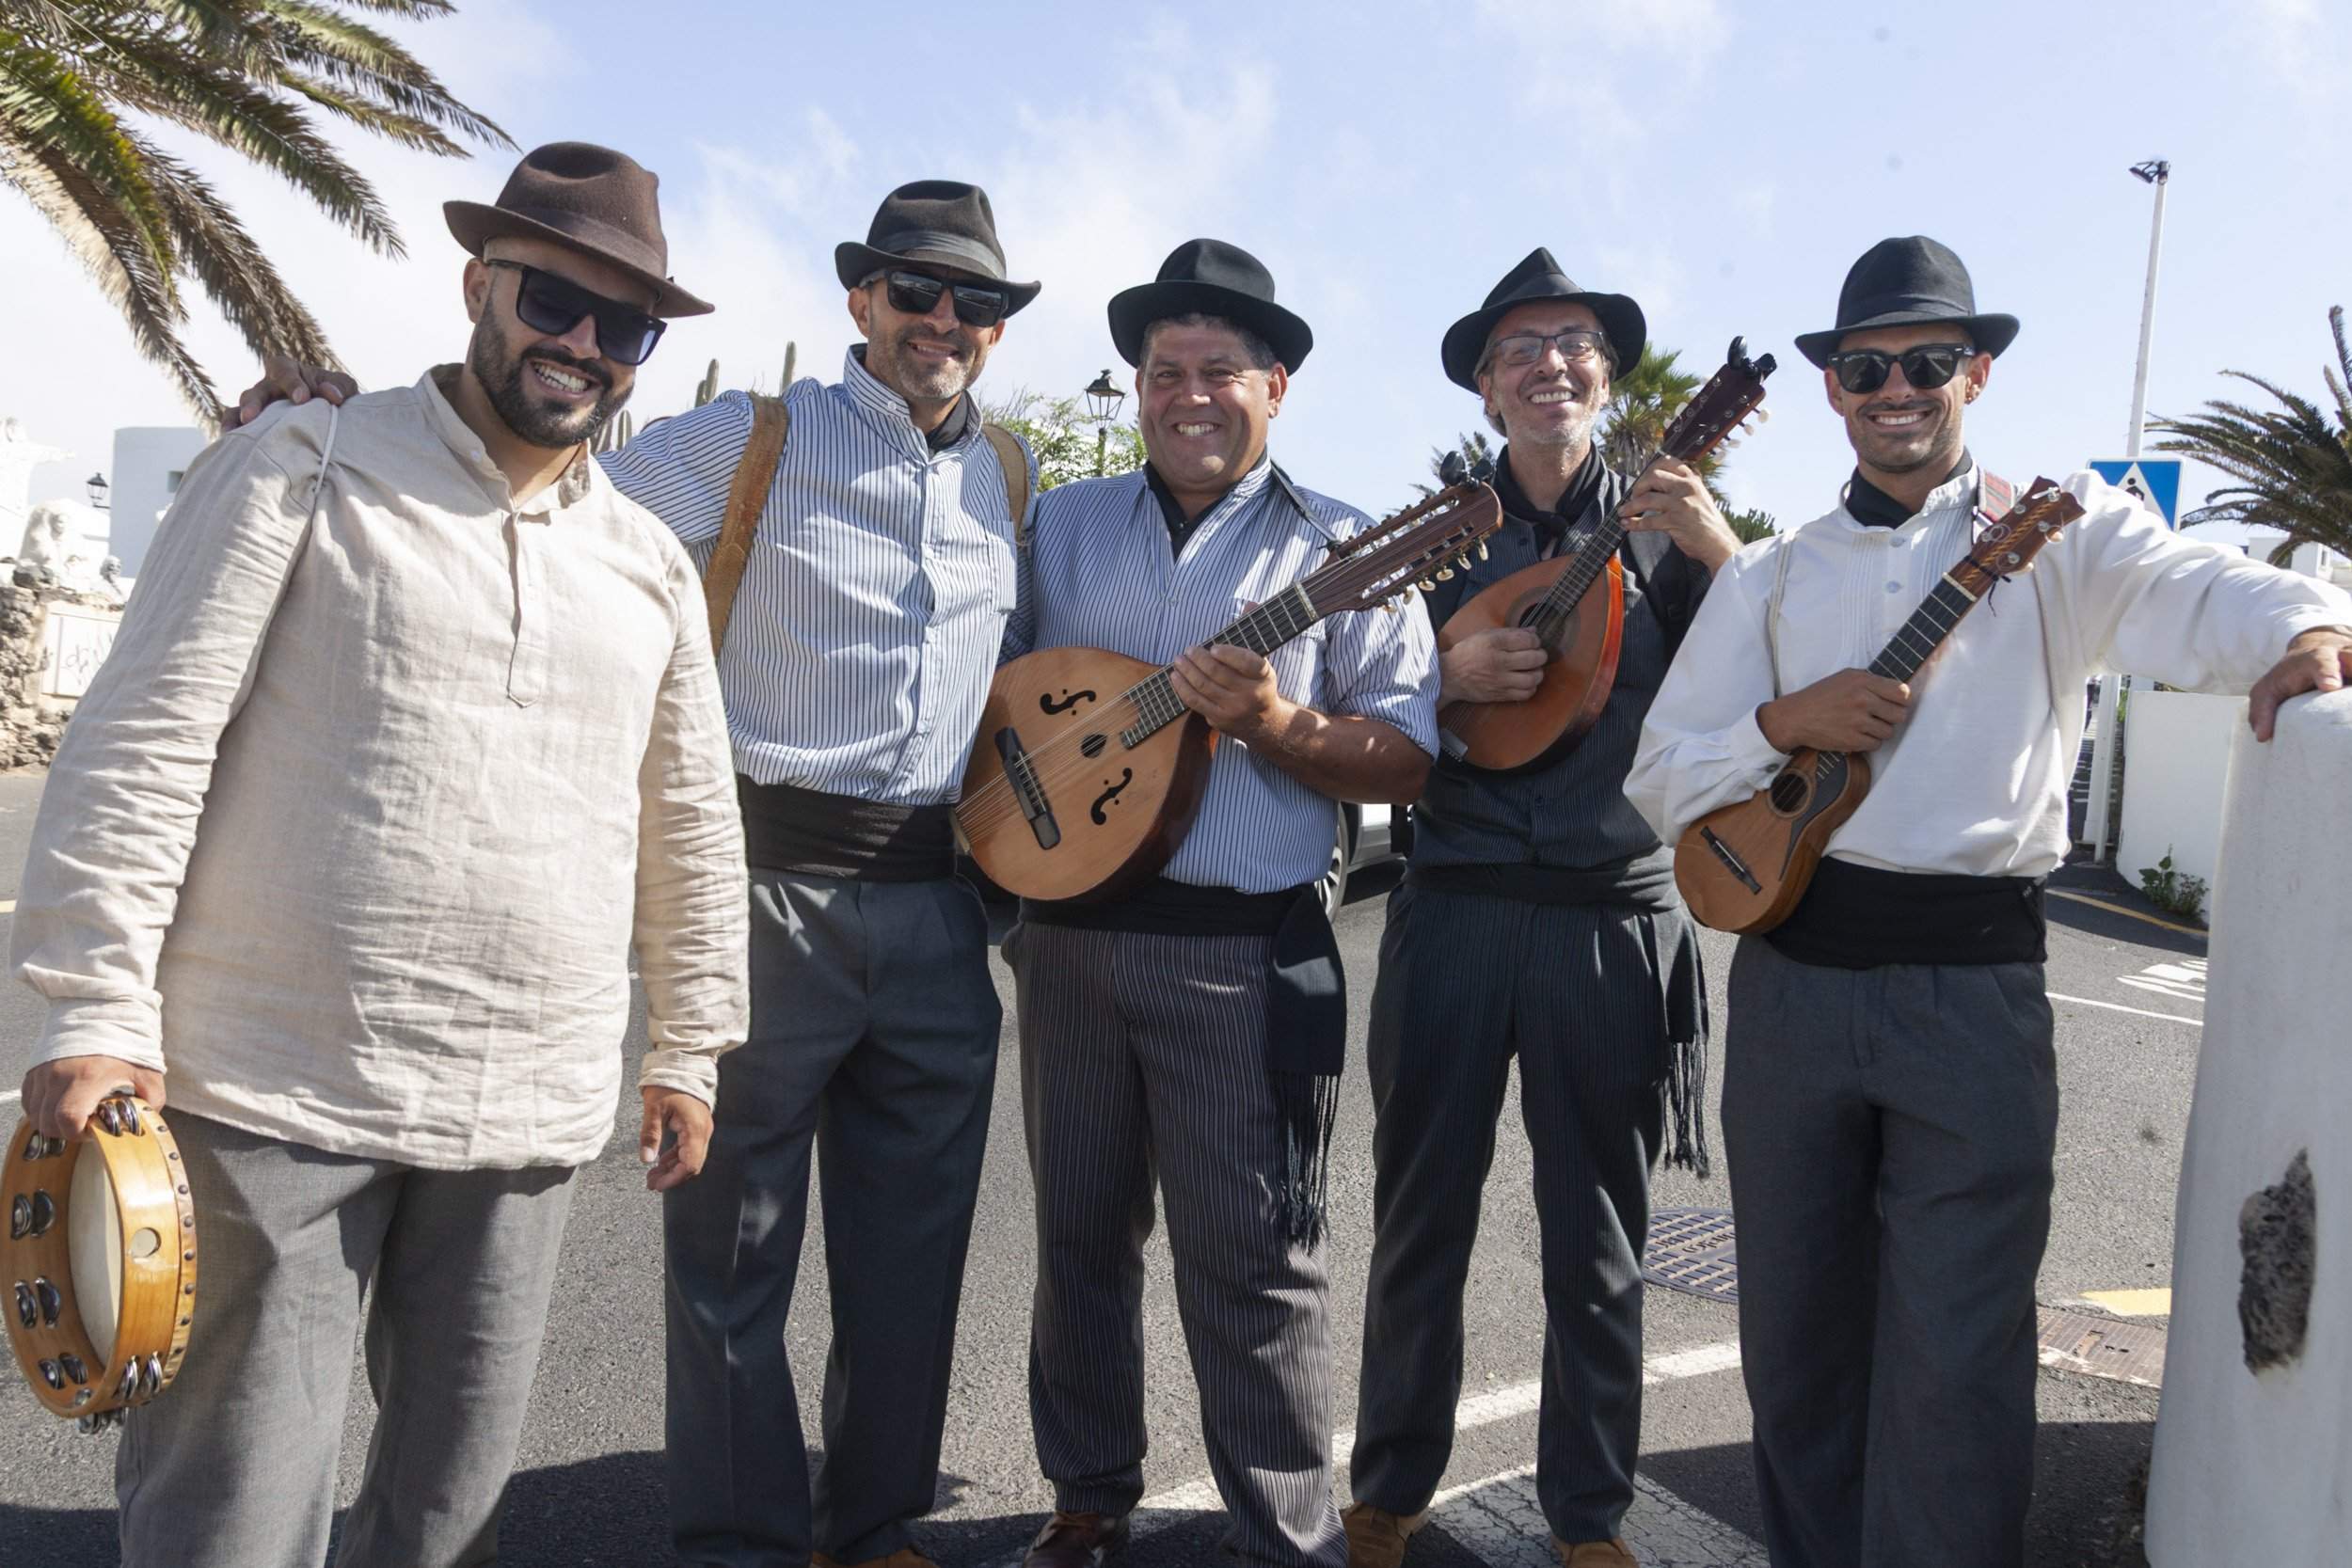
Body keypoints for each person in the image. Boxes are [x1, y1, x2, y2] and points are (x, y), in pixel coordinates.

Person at [228, 179, 1041, 1568]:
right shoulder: (744, 441)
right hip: (761, 891)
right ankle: (741, 1541)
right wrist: (338, 422)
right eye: (917, 291)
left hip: (937, 905)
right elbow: (522, 482)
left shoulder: (1011, 479)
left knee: (915, 1259)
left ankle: (879, 1522)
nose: (944, 322)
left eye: (976, 303)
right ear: (862, 300)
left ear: (999, 332)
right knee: (732, 1262)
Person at [12, 141, 748, 1568]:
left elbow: (689, 819)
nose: (583, 346)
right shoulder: (305, 462)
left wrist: (691, 1044)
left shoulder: (650, 562)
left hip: (521, 1112)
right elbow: (144, 737)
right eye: (554, 301)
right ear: (482, 284)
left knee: (446, 1518)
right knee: (231, 1511)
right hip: (271, 1084)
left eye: (626, 326)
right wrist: (96, 1004)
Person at [1625, 234, 2352, 1568]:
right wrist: (1786, 717)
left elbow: (2199, 585)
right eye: (1865, 367)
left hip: (1975, 996)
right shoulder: (1773, 575)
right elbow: (1664, 774)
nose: (1896, 387)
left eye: (1927, 361)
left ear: (1980, 371)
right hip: (1792, 983)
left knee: (1959, 1358)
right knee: (1796, 1340)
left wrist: (2303, 624)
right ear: (1834, 389)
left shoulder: (2060, 540)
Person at [999, 239, 1438, 1568]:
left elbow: (1410, 758)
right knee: (1078, 1242)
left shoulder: (1347, 544)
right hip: (1066, 940)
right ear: (1138, 388)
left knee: (1256, 1270)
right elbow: (1006, 706)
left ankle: (1285, 1537)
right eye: (1163, 371)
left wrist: (1282, 724)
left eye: (1220, 371)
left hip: (1240, 958)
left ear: (1278, 387)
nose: (1188, 394)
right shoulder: (1062, 524)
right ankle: (1086, 1499)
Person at [1343, 249, 1735, 1568]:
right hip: (1452, 902)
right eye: (1521, 347)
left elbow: (1759, 677)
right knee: (1420, 1215)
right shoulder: (1438, 541)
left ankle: (1589, 1517)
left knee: (1601, 1238)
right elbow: (1372, 708)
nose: (1549, 365)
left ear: (1607, 378)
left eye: (1574, 344)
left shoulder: (1671, 525)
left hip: (1610, 918)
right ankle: (1388, 1489)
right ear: (1484, 382)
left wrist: (1717, 547)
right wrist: (1445, 676)